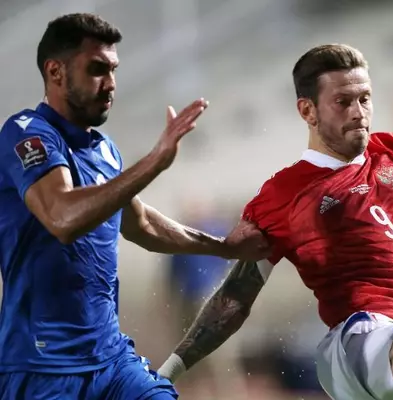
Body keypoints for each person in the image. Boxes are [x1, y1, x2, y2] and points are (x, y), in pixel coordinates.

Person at [158, 6, 393, 400]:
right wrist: (167, 371)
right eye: (343, 102)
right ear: (307, 110)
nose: (359, 113)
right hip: (351, 346)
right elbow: (234, 297)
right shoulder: (281, 195)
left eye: (365, 99)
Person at [0, 13, 268, 400]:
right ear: (55, 71)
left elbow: (142, 224)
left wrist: (223, 247)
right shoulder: (25, 133)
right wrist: (154, 161)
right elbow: (62, 218)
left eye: (113, 69)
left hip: (112, 362)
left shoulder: (105, 150)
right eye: (97, 69)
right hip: (41, 367)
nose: (110, 83)